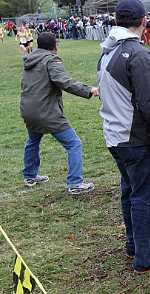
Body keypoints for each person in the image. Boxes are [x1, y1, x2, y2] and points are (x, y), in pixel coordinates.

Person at [97, 0, 150, 274]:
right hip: (138, 139)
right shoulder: (138, 55)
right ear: (144, 21)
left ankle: (137, 243)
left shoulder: (107, 52)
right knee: (144, 198)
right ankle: (147, 257)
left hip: (116, 137)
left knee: (130, 193)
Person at [20, 33, 97, 194]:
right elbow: (63, 81)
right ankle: (75, 183)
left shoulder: (29, 60)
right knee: (73, 144)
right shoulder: (52, 60)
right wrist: (88, 89)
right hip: (46, 112)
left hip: (28, 110)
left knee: (33, 141)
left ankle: (29, 176)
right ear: (55, 46)